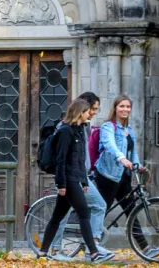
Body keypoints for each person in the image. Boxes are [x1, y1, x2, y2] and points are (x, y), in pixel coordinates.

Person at [37, 98, 111, 264]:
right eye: (87, 111)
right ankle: (93, 253)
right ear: (80, 113)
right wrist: (61, 184)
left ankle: (42, 252)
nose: (89, 114)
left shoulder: (79, 130)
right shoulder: (65, 131)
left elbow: (80, 160)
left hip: (75, 178)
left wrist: (84, 182)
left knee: (57, 216)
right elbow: (61, 159)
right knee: (84, 213)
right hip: (68, 180)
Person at [93, 94, 159, 259]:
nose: (125, 109)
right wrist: (121, 158)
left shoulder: (129, 130)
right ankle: (93, 246)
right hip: (107, 175)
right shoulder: (108, 126)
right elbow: (109, 145)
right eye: (122, 106)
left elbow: (132, 152)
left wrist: (138, 165)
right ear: (115, 108)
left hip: (123, 177)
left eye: (128, 107)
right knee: (100, 210)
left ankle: (145, 248)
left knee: (131, 211)